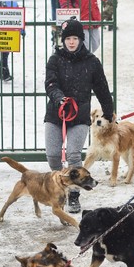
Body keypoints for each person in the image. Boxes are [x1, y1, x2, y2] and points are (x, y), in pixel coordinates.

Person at [43, 18, 114, 214]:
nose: (71, 42)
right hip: (56, 114)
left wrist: (109, 112)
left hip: (80, 116)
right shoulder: (55, 59)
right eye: (68, 38)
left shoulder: (92, 62)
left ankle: (74, 195)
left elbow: (102, 89)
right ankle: (59, 188)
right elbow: (50, 84)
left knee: (74, 154)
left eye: (75, 38)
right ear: (63, 40)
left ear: (81, 40)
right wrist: (59, 98)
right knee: (53, 154)